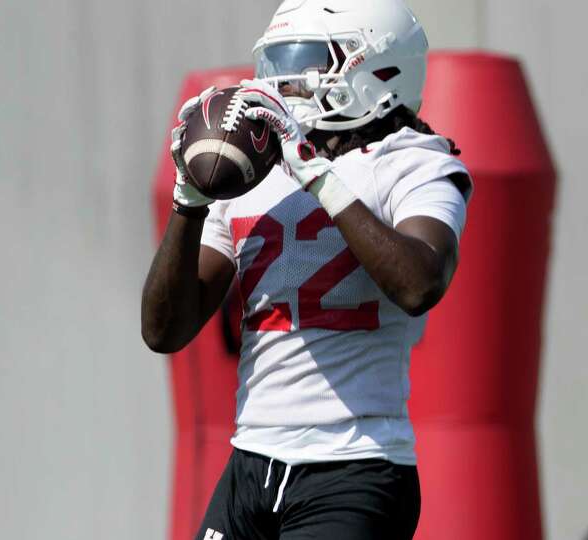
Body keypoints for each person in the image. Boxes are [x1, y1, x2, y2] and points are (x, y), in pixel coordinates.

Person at [141, 1, 472, 538]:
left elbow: (418, 283)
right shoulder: (256, 173)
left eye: (310, 61)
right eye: (278, 62)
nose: (286, 83)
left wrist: (318, 174)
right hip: (250, 460)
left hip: (354, 463)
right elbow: (163, 330)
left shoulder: (417, 163)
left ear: (376, 69)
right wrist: (189, 201)